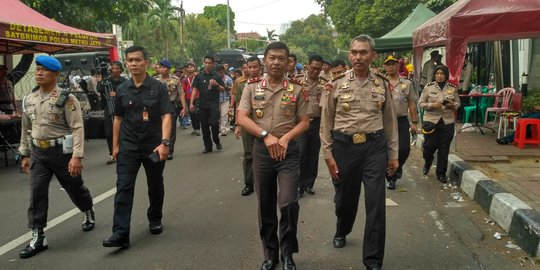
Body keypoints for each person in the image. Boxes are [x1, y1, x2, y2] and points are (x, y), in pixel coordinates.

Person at [320, 35, 398, 270]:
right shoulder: (336, 83)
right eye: (354, 52)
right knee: (346, 199)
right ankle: (342, 228)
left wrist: (393, 154)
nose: (358, 57)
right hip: (344, 148)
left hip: (374, 148)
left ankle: (373, 260)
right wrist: (328, 154)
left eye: (363, 52)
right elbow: (326, 122)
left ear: (373, 55)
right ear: (349, 55)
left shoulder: (382, 84)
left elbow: (390, 121)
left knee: (376, 202)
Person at [237, 42, 309, 270]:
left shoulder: (297, 89)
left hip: (288, 152)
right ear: (264, 61)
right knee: (265, 204)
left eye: (281, 58)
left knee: (288, 202)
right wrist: (265, 135)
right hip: (263, 150)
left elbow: (305, 121)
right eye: (272, 58)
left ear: (288, 62)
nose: (276, 62)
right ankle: (271, 253)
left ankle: (288, 253)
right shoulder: (251, 87)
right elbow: (242, 117)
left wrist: (286, 138)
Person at [18, 56, 95, 259]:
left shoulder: (66, 98)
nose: (39, 73)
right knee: (36, 192)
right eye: (37, 70)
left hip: (62, 152)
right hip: (38, 153)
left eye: (44, 70)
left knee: (74, 187)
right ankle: (38, 235)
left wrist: (77, 157)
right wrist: (24, 153)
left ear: (55, 74)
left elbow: (77, 128)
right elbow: (26, 128)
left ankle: (87, 209)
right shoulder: (29, 99)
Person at [103, 46, 173, 248]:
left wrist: (165, 143)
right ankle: (120, 233)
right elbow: (117, 118)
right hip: (128, 146)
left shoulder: (158, 88)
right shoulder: (123, 89)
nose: (133, 64)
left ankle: (155, 218)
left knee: (155, 185)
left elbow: (166, 114)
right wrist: (115, 147)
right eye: (130, 60)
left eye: (137, 60)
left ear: (146, 63)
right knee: (123, 187)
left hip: (153, 146)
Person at [382, 55, 419, 190]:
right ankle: (391, 178)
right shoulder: (380, 82)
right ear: (384, 67)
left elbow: (412, 103)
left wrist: (414, 122)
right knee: (386, 150)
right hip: (384, 121)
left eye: (393, 64)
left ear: (398, 66)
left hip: (401, 120)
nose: (391, 67)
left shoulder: (406, 83)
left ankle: (398, 167)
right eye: (388, 64)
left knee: (404, 149)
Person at [419, 65, 460, 183]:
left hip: (447, 121)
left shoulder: (452, 88)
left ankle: (441, 173)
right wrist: (432, 105)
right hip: (431, 121)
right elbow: (421, 103)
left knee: (444, 148)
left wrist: (453, 105)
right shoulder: (428, 87)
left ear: (446, 75)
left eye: (442, 74)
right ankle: (428, 161)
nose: (439, 76)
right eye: (437, 73)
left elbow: (458, 103)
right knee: (428, 146)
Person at [298, 54, 327, 197]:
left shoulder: (326, 83)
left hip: (317, 122)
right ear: (308, 65)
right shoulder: (297, 82)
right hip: (301, 124)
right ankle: (299, 185)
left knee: (313, 154)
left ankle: (309, 183)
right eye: (313, 68)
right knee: (301, 153)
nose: (315, 71)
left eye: (318, 68)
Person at [189, 56, 225, 153]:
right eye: (206, 62)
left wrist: (216, 85)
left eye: (209, 63)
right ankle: (207, 146)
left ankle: (216, 141)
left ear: (212, 64)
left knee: (214, 124)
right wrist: (191, 103)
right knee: (204, 126)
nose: (207, 65)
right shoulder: (199, 76)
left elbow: (223, 89)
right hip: (202, 105)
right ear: (203, 63)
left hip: (213, 104)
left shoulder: (216, 76)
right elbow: (195, 90)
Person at [233, 59, 257, 196]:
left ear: (260, 67)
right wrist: (238, 124)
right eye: (249, 67)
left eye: (254, 67)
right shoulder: (242, 85)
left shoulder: (267, 83)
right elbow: (238, 106)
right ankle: (249, 183)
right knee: (248, 154)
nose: (251, 70)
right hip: (247, 123)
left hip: (263, 124)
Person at [155, 59, 187, 160]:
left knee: (171, 128)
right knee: (158, 128)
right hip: (157, 106)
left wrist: (184, 107)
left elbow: (181, 93)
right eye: (160, 67)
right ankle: (159, 148)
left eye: (164, 67)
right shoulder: (155, 80)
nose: (161, 69)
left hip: (171, 105)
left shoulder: (175, 80)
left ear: (168, 69)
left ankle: (169, 150)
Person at [98, 61, 128, 164]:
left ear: (121, 70)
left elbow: (128, 93)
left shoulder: (125, 81)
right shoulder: (106, 81)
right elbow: (100, 91)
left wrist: (117, 94)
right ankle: (112, 153)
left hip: (122, 109)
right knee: (109, 132)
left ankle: (124, 151)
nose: (114, 70)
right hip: (109, 109)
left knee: (123, 131)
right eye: (113, 69)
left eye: (117, 68)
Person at [182, 62, 201, 136]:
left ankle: (198, 128)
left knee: (196, 112)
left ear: (195, 68)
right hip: (188, 97)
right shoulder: (185, 79)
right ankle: (195, 128)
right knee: (191, 114)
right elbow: (183, 89)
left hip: (197, 97)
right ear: (186, 69)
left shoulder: (198, 77)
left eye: (191, 67)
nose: (190, 68)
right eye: (188, 67)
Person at [216, 65, 233, 136]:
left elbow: (232, 88)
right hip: (216, 99)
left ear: (224, 71)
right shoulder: (214, 78)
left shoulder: (228, 79)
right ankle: (219, 128)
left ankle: (223, 129)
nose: (220, 74)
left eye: (221, 72)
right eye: (219, 72)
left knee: (224, 114)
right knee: (218, 114)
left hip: (225, 98)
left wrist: (226, 87)